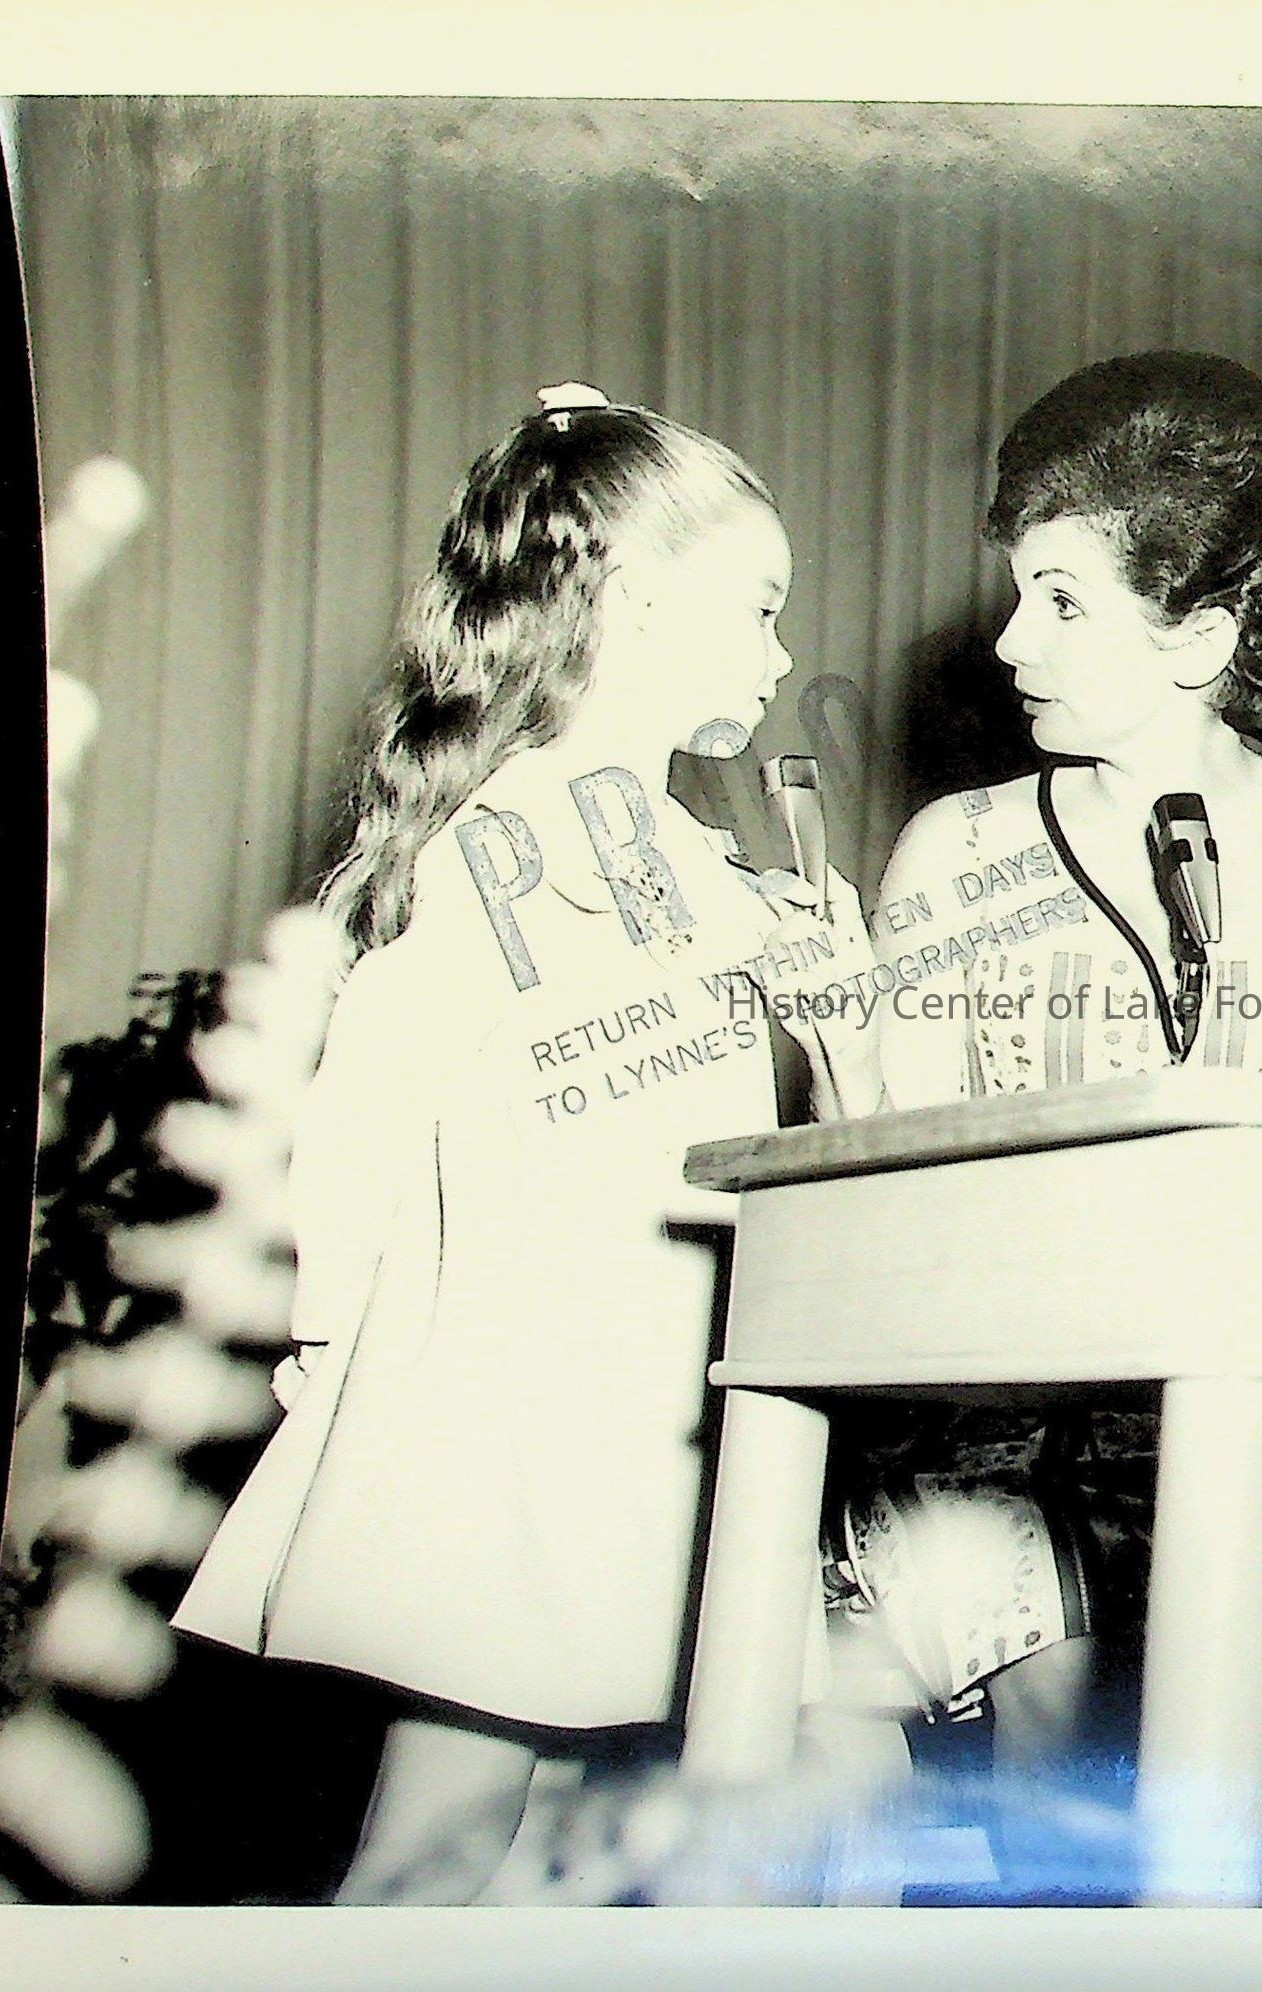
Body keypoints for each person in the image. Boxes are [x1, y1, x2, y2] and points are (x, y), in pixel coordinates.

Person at [172, 387, 858, 1903]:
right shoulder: (513, 836)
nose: (780, 655)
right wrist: (326, 1327)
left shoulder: (691, 859)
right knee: (447, 1828)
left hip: (637, 1387)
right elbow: (372, 1092)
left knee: (545, 1835)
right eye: (758, 609)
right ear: (633, 599)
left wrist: (816, 999)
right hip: (518, 1395)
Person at [782, 351, 1262, 1905]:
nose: (1012, 640)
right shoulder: (957, 853)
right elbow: (878, 1220)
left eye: (1063, 601)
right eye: (1020, 591)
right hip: (992, 1438)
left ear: (1201, 635)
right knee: (1055, 1659)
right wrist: (844, 1067)